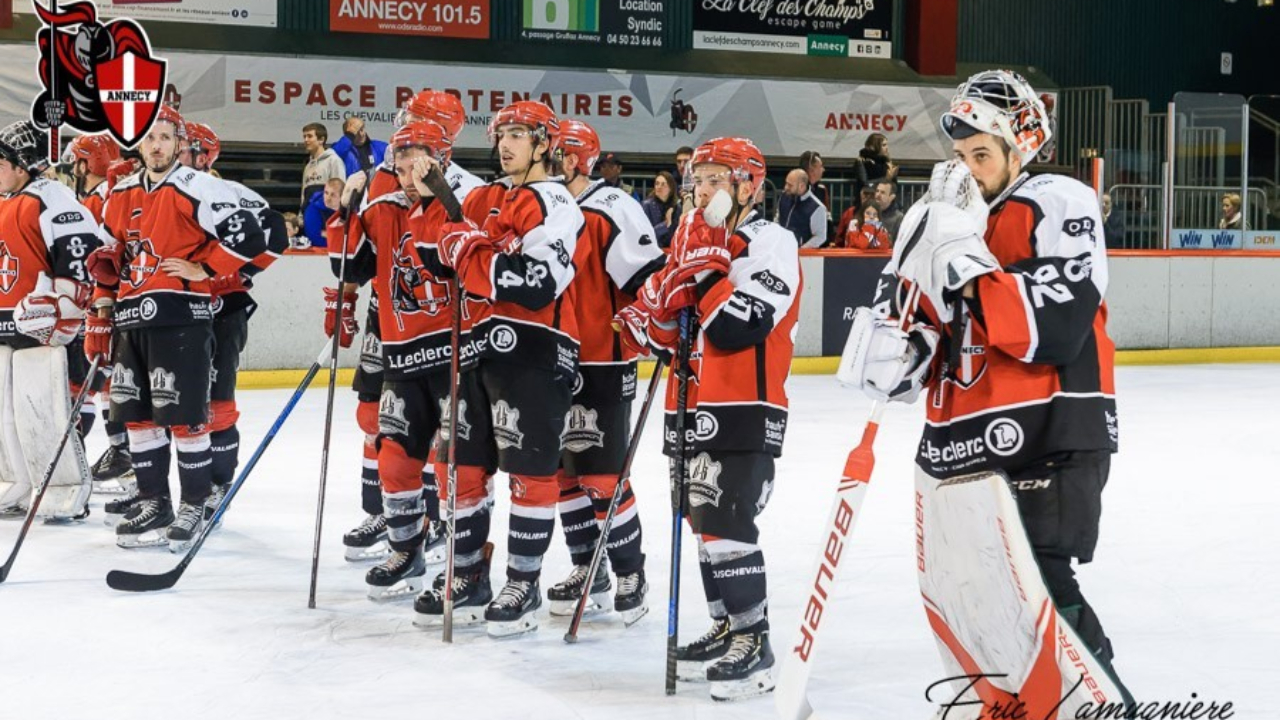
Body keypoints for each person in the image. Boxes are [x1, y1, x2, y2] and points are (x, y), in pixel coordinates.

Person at [841, 69, 1130, 715]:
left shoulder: (1057, 196)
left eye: (981, 155)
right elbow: (907, 363)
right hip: (962, 445)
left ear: (1020, 147)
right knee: (981, 605)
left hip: (1048, 434)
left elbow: (1054, 322)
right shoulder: (954, 224)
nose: (967, 170)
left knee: (1040, 594)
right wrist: (899, 326)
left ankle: (1101, 707)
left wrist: (959, 257)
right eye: (959, 157)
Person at [615, 136, 801, 700]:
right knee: (700, 525)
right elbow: (656, 334)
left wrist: (704, 273)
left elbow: (738, 324)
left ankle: (755, 640)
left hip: (744, 404)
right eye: (698, 179)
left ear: (749, 185)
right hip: (688, 403)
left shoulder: (771, 240)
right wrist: (663, 307)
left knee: (727, 523)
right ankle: (726, 627)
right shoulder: (693, 240)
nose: (703, 189)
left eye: (717, 178)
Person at [414, 100, 585, 638]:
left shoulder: (557, 202)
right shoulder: (485, 196)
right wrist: (462, 245)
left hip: (536, 347)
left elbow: (535, 281)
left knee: (531, 473)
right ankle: (467, 572)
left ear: (544, 145)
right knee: (460, 467)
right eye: (502, 133)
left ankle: (524, 580)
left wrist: (473, 254)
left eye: (518, 134)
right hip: (474, 348)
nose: (506, 143)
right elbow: (433, 256)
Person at [325, 120, 493, 601]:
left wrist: (436, 200)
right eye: (398, 152)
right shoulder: (381, 200)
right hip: (402, 353)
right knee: (394, 459)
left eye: (415, 152)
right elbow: (349, 267)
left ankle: (468, 569)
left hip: (457, 355)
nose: (403, 163)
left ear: (440, 155)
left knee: (454, 467)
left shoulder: (469, 196)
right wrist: (346, 213)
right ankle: (405, 549)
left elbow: (468, 264)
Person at [86, 105, 266, 550]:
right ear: (139, 143)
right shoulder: (123, 191)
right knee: (140, 422)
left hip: (182, 319)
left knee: (187, 421)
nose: (157, 145)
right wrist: (99, 317)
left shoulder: (197, 186)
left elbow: (259, 234)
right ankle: (154, 502)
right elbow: (109, 261)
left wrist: (207, 266)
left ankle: (193, 504)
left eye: (166, 137)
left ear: (178, 143)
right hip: (131, 320)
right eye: (150, 138)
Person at [544, 119, 665, 623]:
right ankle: (585, 566)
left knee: (601, 473)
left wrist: (649, 321)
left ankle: (629, 568)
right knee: (560, 474)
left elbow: (649, 282)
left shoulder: (611, 208)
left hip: (602, 359)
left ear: (572, 160)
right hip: (551, 356)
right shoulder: (547, 206)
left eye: (551, 153)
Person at [178, 121, 288, 522]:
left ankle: (219, 484)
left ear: (204, 155)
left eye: (186, 148)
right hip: (179, 307)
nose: (177, 153)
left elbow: (276, 233)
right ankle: (180, 489)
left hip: (223, 308)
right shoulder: (169, 191)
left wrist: (242, 274)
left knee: (218, 399)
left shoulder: (230, 193)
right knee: (180, 401)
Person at [0, 120, 101, 521]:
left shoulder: (52, 197)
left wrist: (67, 310)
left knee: (44, 411)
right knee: (9, 415)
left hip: (42, 329)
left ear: (23, 164)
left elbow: (78, 256)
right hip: (7, 324)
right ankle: (16, 482)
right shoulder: (9, 198)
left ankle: (65, 488)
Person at [63, 134, 134, 492]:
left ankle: (112, 456)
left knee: (85, 385)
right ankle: (123, 454)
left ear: (84, 164)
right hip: (116, 300)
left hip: (101, 303)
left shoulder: (93, 200)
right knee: (106, 382)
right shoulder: (107, 195)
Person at [775, 168, 827, 248]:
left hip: (802, 255)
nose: (785, 187)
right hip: (780, 249)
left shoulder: (817, 208)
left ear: (802, 186)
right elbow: (777, 219)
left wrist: (801, 250)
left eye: (790, 185)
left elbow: (820, 237)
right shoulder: (784, 197)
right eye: (786, 183)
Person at [300, 122, 345, 212]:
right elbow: (303, 194)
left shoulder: (333, 160)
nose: (306, 140)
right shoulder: (308, 166)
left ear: (321, 139)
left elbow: (339, 190)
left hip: (327, 213)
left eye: (309, 136)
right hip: (310, 214)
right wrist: (301, 215)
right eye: (304, 137)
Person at [642, 170, 680, 249]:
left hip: (671, 251)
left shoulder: (676, 207)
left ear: (671, 188)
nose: (659, 187)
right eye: (657, 183)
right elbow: (646, 236)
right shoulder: (646, 205)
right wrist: (665, 224)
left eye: (663, 184)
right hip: (652, 250)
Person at [303, 178, 343, 248]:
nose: (328, 198)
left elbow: (352, 236)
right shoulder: (312, 209)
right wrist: (338, 237)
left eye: (333, 195)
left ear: (341, 196)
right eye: (326, 193)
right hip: (318, 255)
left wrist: (326, 233)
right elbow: (315, 238)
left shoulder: (349, 210)